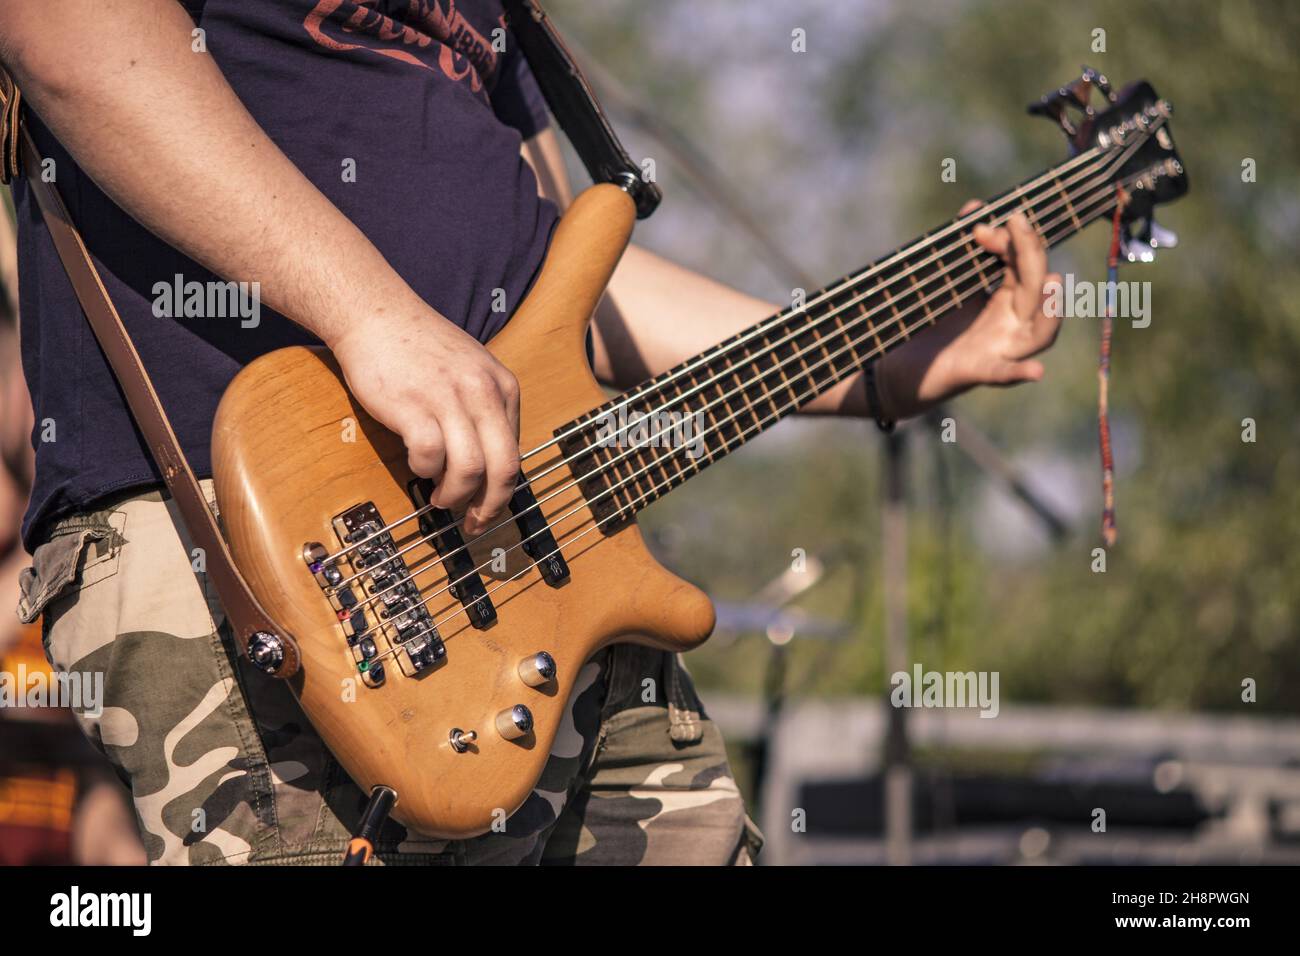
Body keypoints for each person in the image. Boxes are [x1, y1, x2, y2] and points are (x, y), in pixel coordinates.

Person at [0, 0, 1060, 865]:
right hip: (266, 539)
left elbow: (569, 291)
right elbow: (64, 29)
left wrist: (882, 362)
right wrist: (369, 313)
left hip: (537, 567)